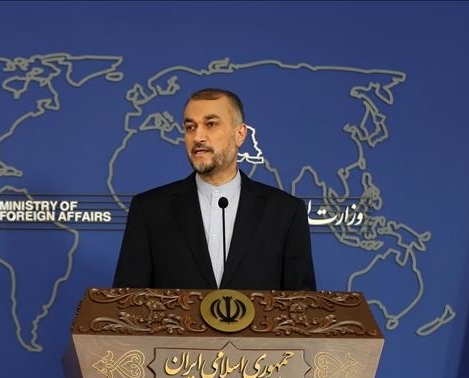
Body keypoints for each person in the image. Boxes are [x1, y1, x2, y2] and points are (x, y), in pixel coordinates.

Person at [113, 88, 316, 291]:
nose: (198, 137)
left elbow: (301, 304)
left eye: (210, 124)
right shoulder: (149, 210)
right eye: (190, 127)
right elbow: (127, 302)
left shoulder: (285, 212)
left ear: (240, 134)